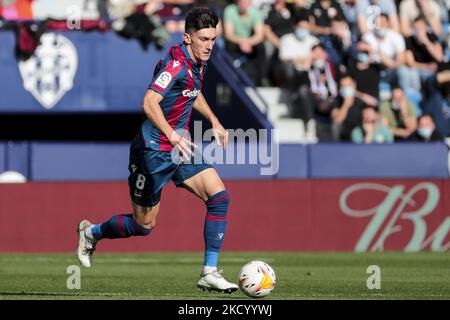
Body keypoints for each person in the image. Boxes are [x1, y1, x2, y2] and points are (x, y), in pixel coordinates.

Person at [76, 7, 239, 293]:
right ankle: (91, 233)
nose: (210, 45)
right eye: (204, 39)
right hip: (152, 151)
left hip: (179, 148)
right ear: (187, 38)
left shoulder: (197, 63)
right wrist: (171, 135)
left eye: (213, 38)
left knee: (219, 197)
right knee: (144, 225)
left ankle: (209, 272)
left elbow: (192, 91)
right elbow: (149, 102)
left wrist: (214, 120)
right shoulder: (175, 65)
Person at [223, 0, 266, 86]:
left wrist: (248, 42)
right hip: (235, 41)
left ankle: (261, 79)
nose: (244, 4)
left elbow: (259, 35)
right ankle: (229, 79)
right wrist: (243, 42)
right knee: (229, 47)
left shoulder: (256, 12)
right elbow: (229, 35)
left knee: (261, 48)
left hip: (249, 42)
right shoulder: (229, 10)